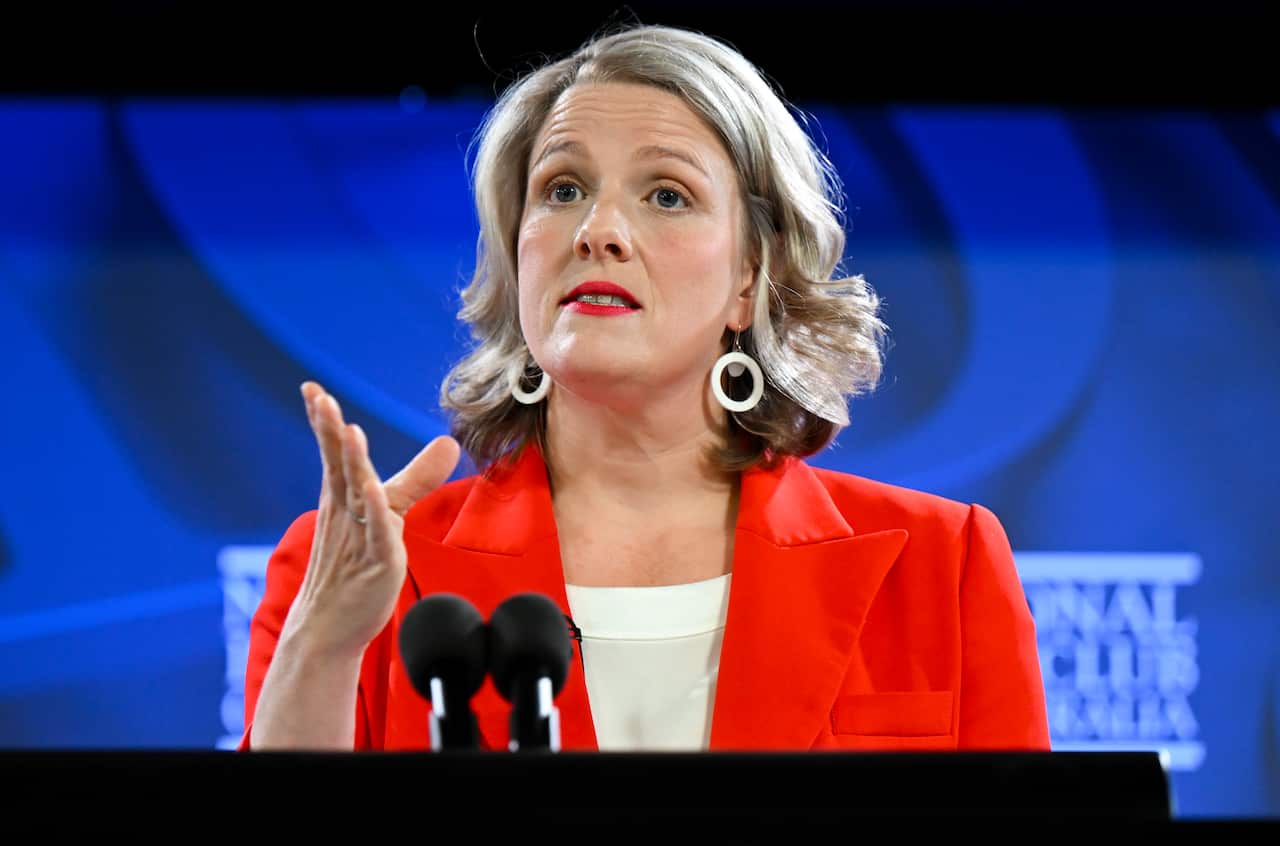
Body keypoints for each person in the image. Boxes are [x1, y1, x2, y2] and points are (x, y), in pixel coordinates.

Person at [242, 23, 1050, 752]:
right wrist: (323, 644)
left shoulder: (946, 566)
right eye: (562, 189)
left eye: (667, 195)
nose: (598, 230)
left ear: (750, 277)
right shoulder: (356, 569)